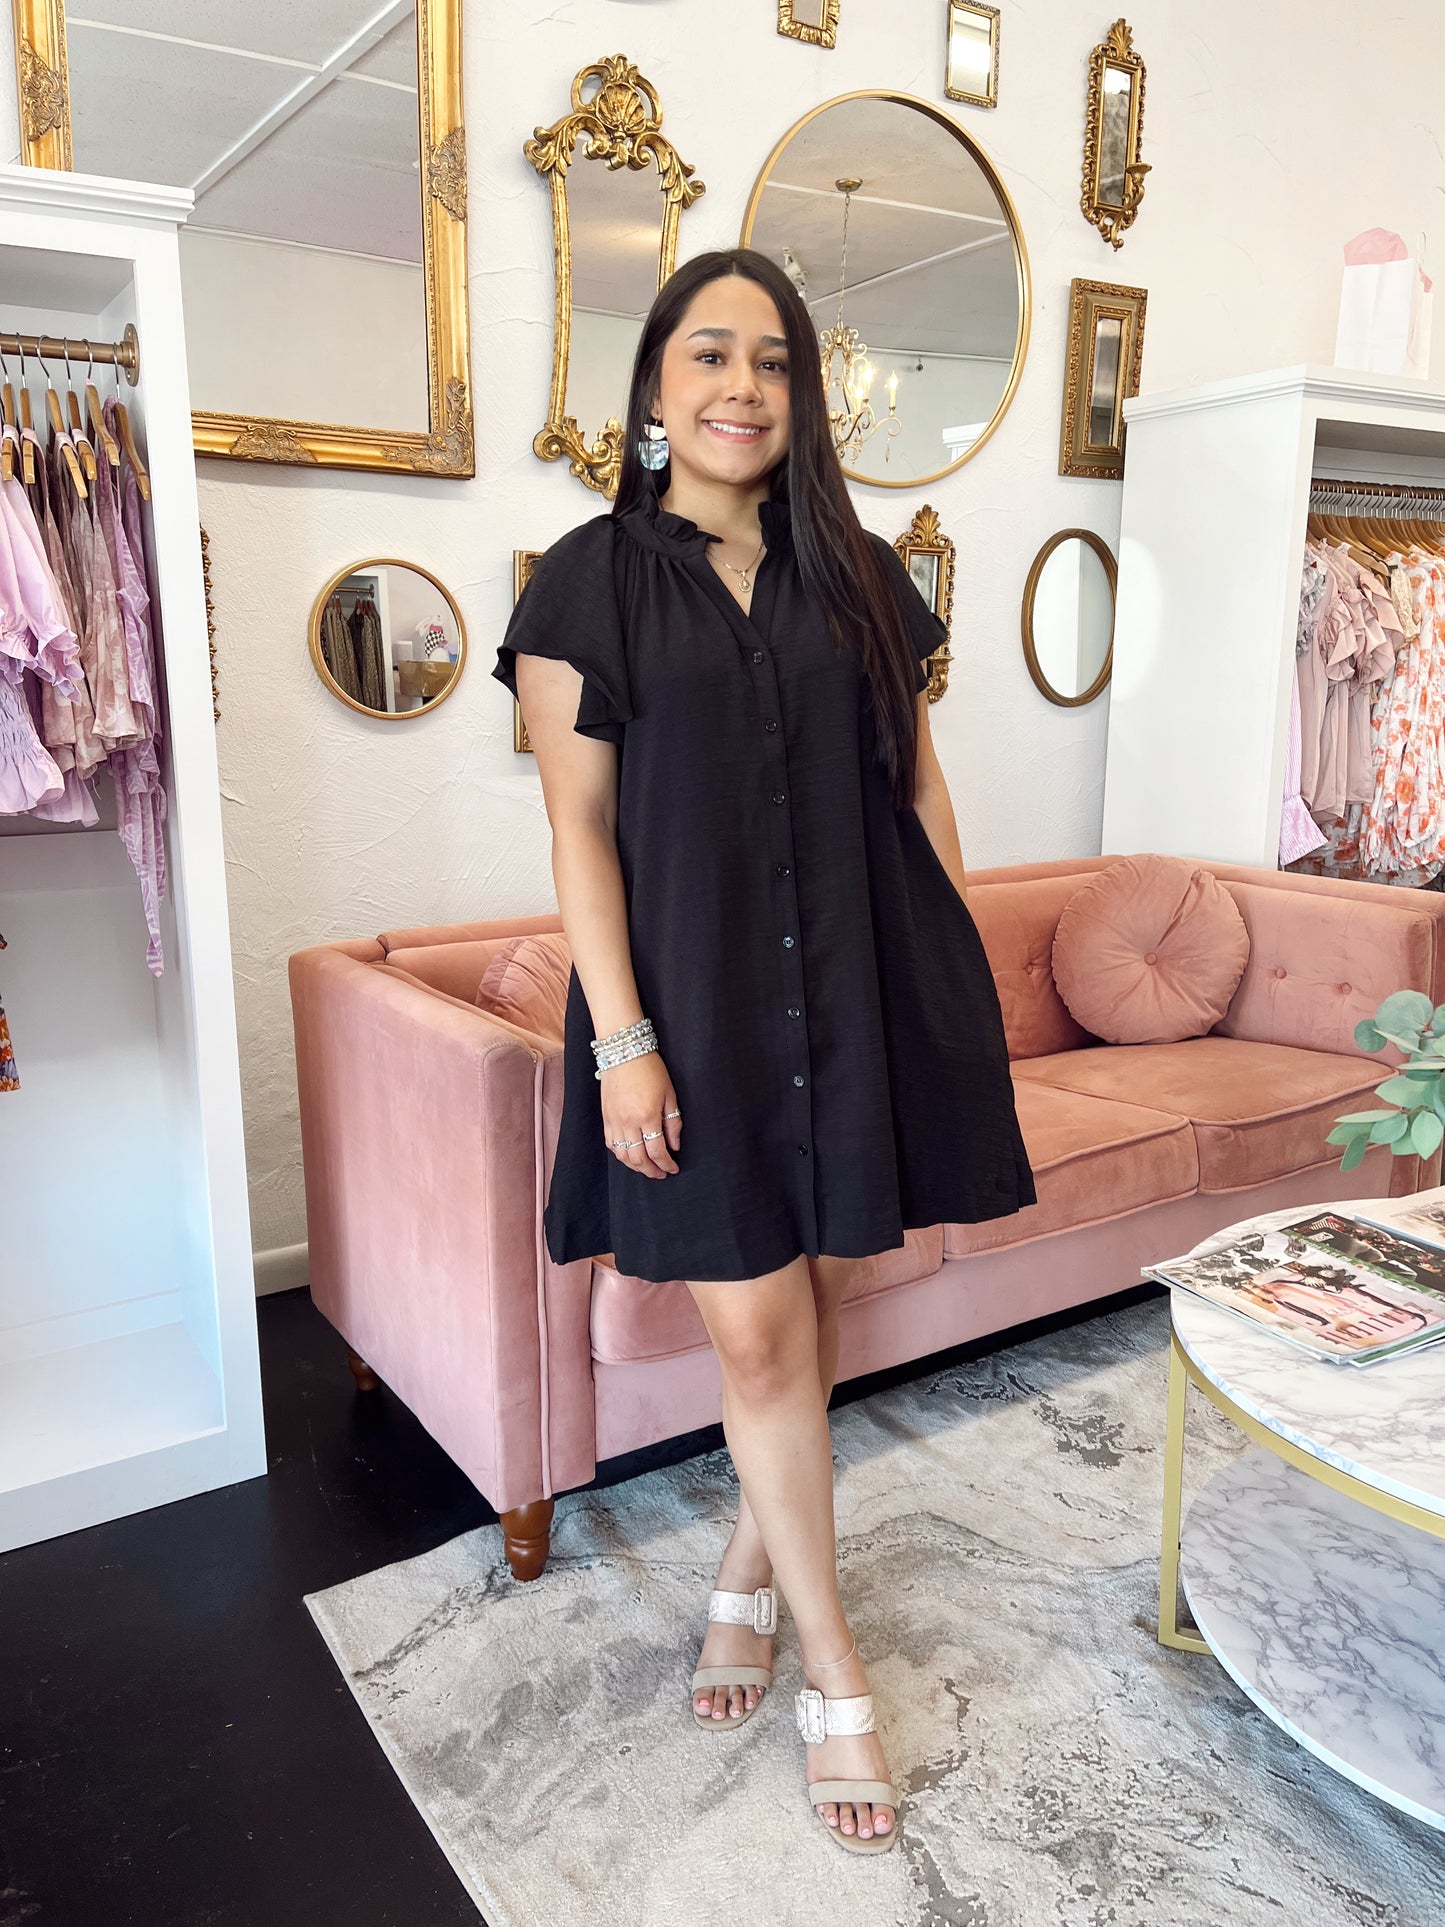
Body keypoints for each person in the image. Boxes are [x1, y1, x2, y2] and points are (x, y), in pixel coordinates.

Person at [492, 246, 1036, 1855]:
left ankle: (744, 1565)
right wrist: (623, 1044)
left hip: (865, 997)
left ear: (803, 395)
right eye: (711, 355)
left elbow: (915, 789)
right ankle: (834, 1666)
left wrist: (952, 976)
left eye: (775, 361)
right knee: (757, 1343)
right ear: (655, 388)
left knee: (820, 1303)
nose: (743, 386)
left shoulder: (857, 574)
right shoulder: (584, 579)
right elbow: (580, 834)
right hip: (695, 1021)